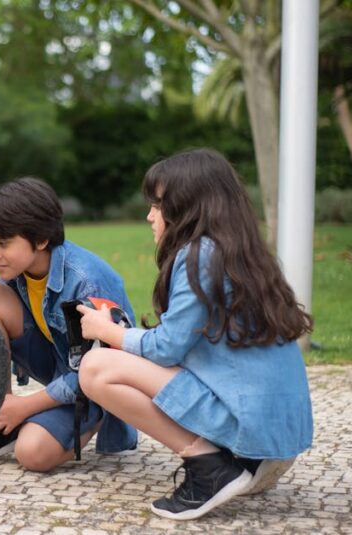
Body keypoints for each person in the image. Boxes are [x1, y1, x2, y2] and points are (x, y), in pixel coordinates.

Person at [76, 148, 314, 520]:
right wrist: (126, 335)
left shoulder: (198, 255)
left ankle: (210, 467)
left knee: (95, 368)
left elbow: (168, 348)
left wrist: (107, 332)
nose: (149, 215)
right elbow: (189, 343)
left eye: (157, 204)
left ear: (188, 206)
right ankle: (237, 460)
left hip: (250, 429)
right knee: (118, 359)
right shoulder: (240, 251)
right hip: (277, 434)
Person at [0, 177, 138, 471]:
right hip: (60, 363)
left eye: (3, 243)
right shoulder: (21, 271)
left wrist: (26, 406)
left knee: (32, 454)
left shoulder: (86, 282)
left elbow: (99, 368)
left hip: (97, 379)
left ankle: (95, 417)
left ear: (40, 240)